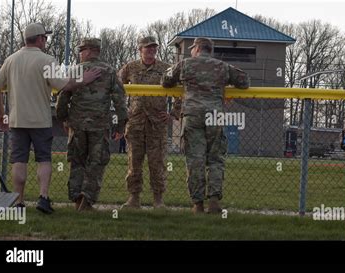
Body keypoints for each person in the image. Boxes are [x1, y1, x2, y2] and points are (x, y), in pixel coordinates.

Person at [0, 23, 101, 214]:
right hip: (40, 120)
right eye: (45, 38)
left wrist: (1, 115)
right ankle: (43, 198)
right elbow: (64, 85)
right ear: (40, 39)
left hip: (17, 120)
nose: (46, 41)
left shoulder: (11, 60)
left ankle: (19, 202)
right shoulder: (47, 60)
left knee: (19, 160)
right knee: (44, 159)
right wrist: (85, 79)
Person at [162, 37, 249, 214]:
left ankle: (198, 204)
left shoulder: (185, 64)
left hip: (193, 115)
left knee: (195, 160)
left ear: (197, 48)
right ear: (210, 50)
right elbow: (244, 81)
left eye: (193, 48)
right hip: (215, 115)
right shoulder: (222, 66)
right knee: (215, 159)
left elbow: (165, 80)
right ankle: (214, 201)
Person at [56, 38, 128, 211]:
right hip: (99, 125)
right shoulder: (110, 72)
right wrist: (120, 126)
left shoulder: (74, 71)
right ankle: (87, 200)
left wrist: (64, 118)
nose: (80, 54)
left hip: (77, 125)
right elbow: (120, 101)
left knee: (77, 161)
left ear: (88, 51)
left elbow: (63, 97)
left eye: (81, 50)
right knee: (96, 162)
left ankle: (76, 198)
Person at [118, 36, 181, 209]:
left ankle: (158, 200)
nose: (152, 50)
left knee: (157, 163)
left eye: (154, 47)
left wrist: (173, 113)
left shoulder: (166, 68)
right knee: (134, 163)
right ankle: (134, 198)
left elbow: (180, 91)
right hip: (136, 122)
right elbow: (117, 88)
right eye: (148, 47)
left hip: (156, 124)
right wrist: (123, 111)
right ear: (140, 49)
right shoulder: (130, 67)